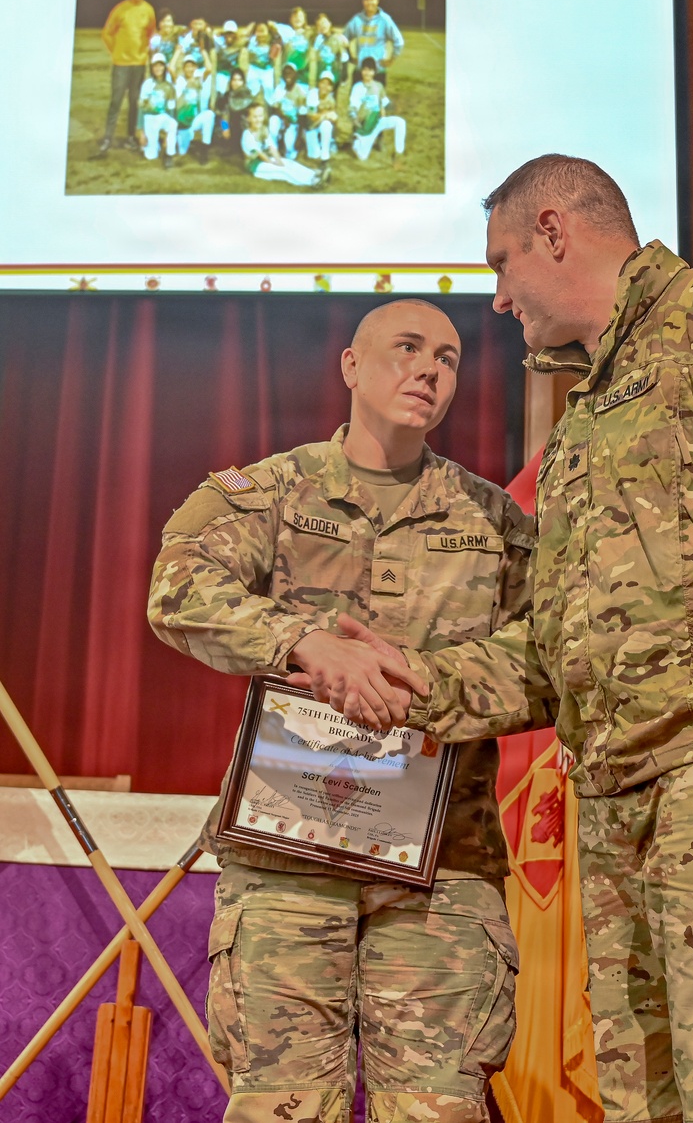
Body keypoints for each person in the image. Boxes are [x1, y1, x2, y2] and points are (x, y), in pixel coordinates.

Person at [336, 155, 693, 1123]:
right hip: (625, 813)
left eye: (501, 263)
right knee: (650, 1106)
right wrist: (404, 680)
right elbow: (555, 649)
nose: (500, 298)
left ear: (554, 230)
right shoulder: (589, 412)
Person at [147, 299, 534, 1123]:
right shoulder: (272, 495)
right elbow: (177, 590)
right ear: (352, 366)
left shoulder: (496, 524)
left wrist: (424, 682)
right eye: (406, 348)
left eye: (449, 357)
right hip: (289, 864)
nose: (429, 369)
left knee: (437, 1112)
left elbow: (557, 661)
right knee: (280, 1109)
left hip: (443, 877)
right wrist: (302, 641)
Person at [93, 0, 156, 157]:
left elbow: (151, 33)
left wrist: (145, 52)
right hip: (121, 64)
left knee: (135, 102)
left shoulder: (148, 10)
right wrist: (116, 51)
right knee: (116, 101)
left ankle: (130, 137)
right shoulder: (120, 9)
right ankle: (107, 138)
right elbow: (107, 33)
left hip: (139, 64)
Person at [239, 102, 325, 187]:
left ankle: (313, 173)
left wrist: (279, 160)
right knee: (282, 171)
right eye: (254, 117)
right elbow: (260, 154)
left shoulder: (263, 130)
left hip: (266, 158)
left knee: (288, 163)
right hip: (255, 165)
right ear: (248, 119)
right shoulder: (247, 135)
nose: (258, 119)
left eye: (260, 116)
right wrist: (273, 163)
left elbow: (271, 147)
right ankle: (311, 182)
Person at [348, 58, 405, 164]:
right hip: (366, 127)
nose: (367, 73)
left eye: (370, 70)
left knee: (400, 122)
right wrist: (355, 120)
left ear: (374, 72)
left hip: (378, 122)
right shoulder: (357, 87)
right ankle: (357, 141)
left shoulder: (378, 86)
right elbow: (352, 107)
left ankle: (398, 154)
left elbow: (385, 103)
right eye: (364, 69)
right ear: (361, 71)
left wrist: (394, 107)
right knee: (362, 157)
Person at [345, 0, 404, 85]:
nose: (369, 2)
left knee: (376, 98)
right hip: (360, 69)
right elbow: (344, 38)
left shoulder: (385, 20)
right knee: (356, 98)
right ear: (362, 2)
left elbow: (399, 41)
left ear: (377, 1)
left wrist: (391, 60)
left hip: (378, 70)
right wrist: (350, 56)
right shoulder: (357, 19)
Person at [136, 52, 177, 168]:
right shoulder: (147, 84)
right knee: (151, 155)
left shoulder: (169, 86)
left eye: (161, 65)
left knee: (173, 124)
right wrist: (141, 132)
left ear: (165, 67)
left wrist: (169, 136)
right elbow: (141, 109)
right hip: (149, 118)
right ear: (151, 67)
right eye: (155, 66)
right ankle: (154, 143)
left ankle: (169, 154)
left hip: (162, 116)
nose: (158, 68)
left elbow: (171, 110)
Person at [174, 56, 216, 162]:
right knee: (182, 151)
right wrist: (177, 52)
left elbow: (209, 69)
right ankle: (186, 142)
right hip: (183, 123)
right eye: (187, 66)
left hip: (195, 121)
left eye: (192, 66)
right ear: (183, 68)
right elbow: (170, 68)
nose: (190, 69)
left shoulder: (198, 80)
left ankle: (204, 150)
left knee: (209, 115)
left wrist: (203, 51)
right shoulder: (180, 81)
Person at [269, 62, 310, 158]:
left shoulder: (300, 91)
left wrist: (299, 137)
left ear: (295, 75)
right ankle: (273, 150)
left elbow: (302, 117)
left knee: (290, 151)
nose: (288, 76)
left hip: (294, 124)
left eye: (290, 73)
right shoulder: (280, 89)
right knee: (273, 121)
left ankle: (295, 147)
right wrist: (283, 119)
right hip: (282, 120)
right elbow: (274, 108)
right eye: (285, 73)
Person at [240, 20, 281, 105]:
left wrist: (272, 28)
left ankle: (271, 109)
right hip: (254, 69)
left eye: (263, 31)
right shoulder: (251, 42)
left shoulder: (272, 43)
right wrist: (250, 27)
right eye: (258, 31)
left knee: (269, 89)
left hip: (267, 70)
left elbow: (279, 37)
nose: (261, 34)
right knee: (251, 89)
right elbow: (242, 37)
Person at [216, 66, 255, 155]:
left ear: (243, 82)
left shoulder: (248, 96)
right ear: (230, 82)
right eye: (234, 80)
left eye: (239, 80)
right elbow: (223, 115)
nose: (236, 83)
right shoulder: (226, 96)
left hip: (244, 130)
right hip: (230, 131)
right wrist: (225, 128)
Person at [303, 71, 340, 163]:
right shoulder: (312, 94)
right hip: (310, 127)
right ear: (318, 83)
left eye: (328, 84)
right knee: (314, 155)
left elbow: (334, 120)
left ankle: (325, 155)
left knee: (327, 125)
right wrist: (325, 114)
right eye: (323, 83)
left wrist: (331, 118)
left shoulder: (331, 99)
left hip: (320, 125)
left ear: (331, 88)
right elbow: (312, 117)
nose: (325, 87)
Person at [309, 11, 350, 88]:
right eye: (319, 24)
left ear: (330, 23)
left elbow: (344, 57)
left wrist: (344, 76)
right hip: (321, 75)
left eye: (324, 22)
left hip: (334, 75)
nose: (322, 26)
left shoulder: (338, 38)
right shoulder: (316, 40)